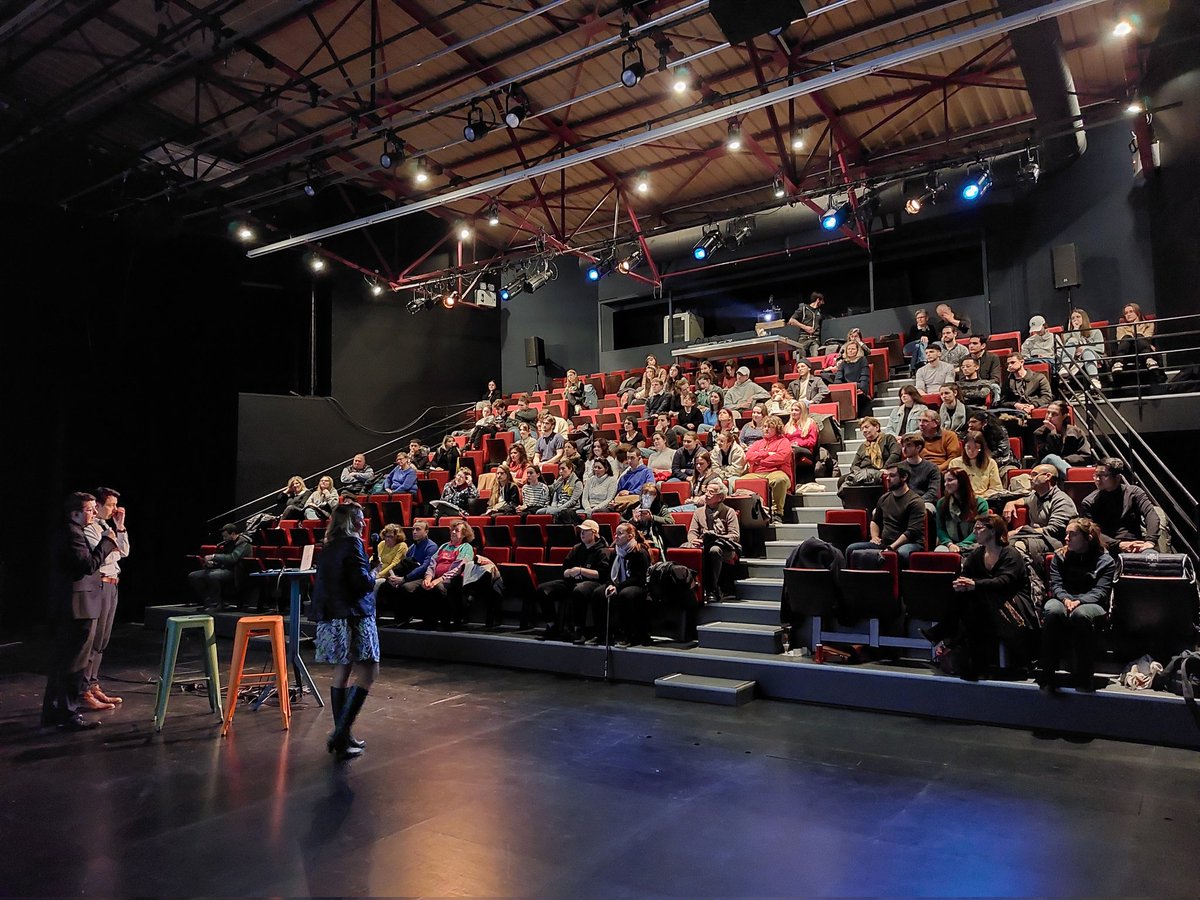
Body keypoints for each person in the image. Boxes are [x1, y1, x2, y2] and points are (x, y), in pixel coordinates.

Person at [41, 492, 119, 731]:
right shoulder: (73, 534)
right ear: (75, 513)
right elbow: (87, 565)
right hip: (78, 607)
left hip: (75, 605)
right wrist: (107, 542)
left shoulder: (69, 532)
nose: (94, 513)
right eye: (89, 509)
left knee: (64, 662)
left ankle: (54, 713)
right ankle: (67, 714)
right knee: (73, 664)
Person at [310, 502, 377, 760]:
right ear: (353, 522)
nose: (363, 522)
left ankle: (344, 736)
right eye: (360, 518)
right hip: (353, 616)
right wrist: (374, 572)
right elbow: (362, 583)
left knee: (342, 671)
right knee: (369, 671)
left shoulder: (328, 546)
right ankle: (340, 734)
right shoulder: (353, 544)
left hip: (333, 616)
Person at [935, 513, 1036, 680]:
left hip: (1012, 602)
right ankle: (962, 651)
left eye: (979, 528)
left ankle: (944, 635)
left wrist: (974, 584)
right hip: (986, 601)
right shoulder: (978, 553)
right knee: (963, 596)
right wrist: (962, 584)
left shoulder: (1011, 554)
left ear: (993, 531)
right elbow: (966, 575)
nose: (975, 532)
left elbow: (1004, 582)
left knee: (977, 600)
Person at [1038, 516, 1117, 692]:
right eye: (1067, 534)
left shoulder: (1105, 561)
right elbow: (1055, 585)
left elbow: (1100, 591)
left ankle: (1084, 675)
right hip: (1064, 599)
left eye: (1072, 535)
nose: (1067, 538)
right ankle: (1047, 673)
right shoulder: (1060, 556)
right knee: (1052, 610)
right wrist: (1066, 599)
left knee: (1081, 615)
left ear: (1087, 538)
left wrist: (1079, 601)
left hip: (1091, 602)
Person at [81, 487, 129, 710]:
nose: (114, 509)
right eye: (110, 505)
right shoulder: (90, 528)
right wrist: (112, 549)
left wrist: (120, 527)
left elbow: (124, 552)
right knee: (93, 639)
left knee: (102, 640)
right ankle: (83, 690)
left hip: (112, 584)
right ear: (98, 505)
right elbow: (102, 556)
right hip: (99, 584)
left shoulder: (108, 528)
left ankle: (93, 684)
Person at [534, 519, 609, 641]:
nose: (582, 533)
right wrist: (569, 572)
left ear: (594, 533)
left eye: (585, 531)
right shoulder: (577, 548)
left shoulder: (603, 551)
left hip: (593, 583)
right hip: (572, 581)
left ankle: (579, 629)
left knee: (579, 590)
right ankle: (552, 626)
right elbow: (565, 569)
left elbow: (601, 574)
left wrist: (581, 571)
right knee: (543, 589)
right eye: (581, 531)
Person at [845, 463, 926, 567]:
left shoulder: (915, 501)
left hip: (909, 543)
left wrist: (892, 547)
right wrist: (875, 537)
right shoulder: (884, 498)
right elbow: (875, 521)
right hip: (885, 543)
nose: (887, 479)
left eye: (892, 476)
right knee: (851, 549)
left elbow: (911, 532)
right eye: (887, 475)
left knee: (902, 554)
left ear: (904, 477)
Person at [401, 519, 475, 629]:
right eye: (452, 530)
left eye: (457, 530)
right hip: (434, 578)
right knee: (408, 587)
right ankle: (426, 620)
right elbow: (432, 563)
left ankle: (443, 621)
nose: (453, 532)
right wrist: (428, 578)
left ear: (464, 534)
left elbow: (457, 569)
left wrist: (437, 580)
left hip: (452, 580)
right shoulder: (444, 546)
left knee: (437, 587)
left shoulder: (466, 547)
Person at [1079, 457, 1161, 553]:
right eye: (1096, 475)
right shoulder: (1089, 502)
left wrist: (1150, 541)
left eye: (1103, 475)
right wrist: (1118, 544)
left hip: (1136, 545)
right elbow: (1091, 531)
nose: (1097, 479)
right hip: (1107, 547)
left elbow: (1150, 514)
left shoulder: (1134, 492)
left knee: (1151, 556)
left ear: (1118, 477)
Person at [1002, 464, 1078, 557]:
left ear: (1047, 476)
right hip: (1032, 537)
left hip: (1051, 540)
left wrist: (1021, 531)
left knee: (1018, 546)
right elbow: (1024, 500)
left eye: (1034, 475)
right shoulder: (1035, 496)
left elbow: (1054, 530)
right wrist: (1010, 503)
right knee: (1001, 544)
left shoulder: (1061, 500)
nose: (1030, 478)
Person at [684, 482, 741, 602]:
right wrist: (693, 540)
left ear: (720, 497)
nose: (706, 494)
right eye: (706, 491)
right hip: (703, 544)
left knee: (714, 550)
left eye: (711, 492)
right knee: (686, 548)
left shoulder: (729, 512)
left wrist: (716, 536)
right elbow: (692, 532)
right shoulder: (699, 512)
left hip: (723, 547)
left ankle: (712, 590)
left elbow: (735, 536)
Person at [607, 522, 654, 647]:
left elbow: (639, 578)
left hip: (639, 586)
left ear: (630, 536)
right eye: (615, 534)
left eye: (620, 534)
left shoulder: (640, 552)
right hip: (620, 584)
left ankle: (629, 635)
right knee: (599, 592)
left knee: (625, 594)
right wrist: (610, 585)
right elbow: (609, 573)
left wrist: (617, 587)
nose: (616, 536)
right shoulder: (615, 552)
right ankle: (604, 633)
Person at [187, 522, 252, 610]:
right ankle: (208, 601)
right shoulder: (228, 543)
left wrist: (214, 556)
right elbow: (224, 559)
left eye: (225, 536)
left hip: (236, 572)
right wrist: (212, 564)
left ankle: (217, 604)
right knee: (194, 576)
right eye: (223, 537)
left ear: (233, 534)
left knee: (212, 575)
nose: (224, 539)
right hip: (224, 569)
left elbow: (233, 558)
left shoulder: (244, 544)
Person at [744, 415, 793, 524]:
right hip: (757, 473)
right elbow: (748, 456)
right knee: (739, 482)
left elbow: (781, 457)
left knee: (780, 480)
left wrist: (760, 461)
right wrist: (766, 454)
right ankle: (748, 513)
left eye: (770, 427)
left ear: (777, 429)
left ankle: (777, 513)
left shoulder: (784, 442)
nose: (766, 429)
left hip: (777, 471)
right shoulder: (758, 443)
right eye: (765, 426)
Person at [1034, 400, 1094, 478]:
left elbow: (1086, 456)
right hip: (1046, 465)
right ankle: (1073, 478)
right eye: (1048, 413)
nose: (1049, 416)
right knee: (1051, 457)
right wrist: (1053, 434)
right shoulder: (1039, 433)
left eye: (1054, 414)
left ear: (1064, 416)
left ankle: (1071, 476)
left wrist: (1063, 460)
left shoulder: (1076, 432)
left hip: (1069, 464)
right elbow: (1046, 453)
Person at [935, 467, 989, 552]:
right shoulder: (942, 503)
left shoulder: (980, 503)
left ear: (961, 482)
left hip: (973, 543)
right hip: (949, 544)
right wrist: (949, 544)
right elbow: (940, 529)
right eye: (945, 481)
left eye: (950, 480)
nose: (946, 484)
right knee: (940, 551)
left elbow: (981, 530)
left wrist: (961, 545)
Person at [841, 416, 901, 487]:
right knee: (842, 480)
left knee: (856, 480)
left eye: (867, 427)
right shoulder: (863, 446)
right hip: (862, 473)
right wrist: (858, 473)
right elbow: (854, 465)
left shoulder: (888, 438)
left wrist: (885, 468)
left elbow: (895, 454)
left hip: (879, 471)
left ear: (877, 427)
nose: (864, 430)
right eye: (862, 429)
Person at [1058, 307, 1104, 390]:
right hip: (1074, 358)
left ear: (1084, 318)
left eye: (1078, 317)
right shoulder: (1067, 335)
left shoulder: (1096, 332)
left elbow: (1100, 349)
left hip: (1093, 356)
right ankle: (1064, 367)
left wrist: (1084, 347)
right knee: (1072, 340)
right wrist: (1075, 330)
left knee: (1086, 351)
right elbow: (1072, 344)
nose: (1075, 319)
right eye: (1073, 318)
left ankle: (1094, 379)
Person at [947, 431, 1002, 500]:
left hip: (984, 499)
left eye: (976, 448)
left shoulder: (990, 463)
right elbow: (950, 487)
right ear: (964, 447)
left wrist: (981, 497)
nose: (971, 451)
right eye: (968, 447)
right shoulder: (954, 463)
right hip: (962, 500)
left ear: (981, 448)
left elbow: (996, 488)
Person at [1111, 302, 1159, 372]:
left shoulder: (1148, 324)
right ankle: (1118, 362)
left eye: (1131, 311)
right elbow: (1120, 340)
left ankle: (1149, 359)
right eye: (1126, 313)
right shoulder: (1120, 327)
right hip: (1128, 351)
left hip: (1143, 349)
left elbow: (1147, 337)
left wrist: (1135, 325)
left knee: (1139, 337)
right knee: (1127, 337)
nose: (1128, 314)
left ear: (1138, 313)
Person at [782, 399, 819, 486]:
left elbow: (812, 441)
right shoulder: (788, 425)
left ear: (802, 412)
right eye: (792, 410)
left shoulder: (810, 423)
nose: (793, 412)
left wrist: (798, 443)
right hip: (791, 448)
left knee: (794, 451)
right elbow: (783, 439)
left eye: (796, 410)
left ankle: (791, 481)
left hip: (806, 450)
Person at [899, 433, 940, 510]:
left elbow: (933, 492)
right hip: (902, 501)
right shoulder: (899, 467)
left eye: (908, 446)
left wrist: (915, 502)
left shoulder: (932, 468)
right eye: (903, 446)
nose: (904, 449)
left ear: (918, 448)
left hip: (925, 501)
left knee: (924, 509)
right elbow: (894, 490)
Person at [833, 339, 872, 414]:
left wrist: (857, 388)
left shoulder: (862, 360)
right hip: (846, 390)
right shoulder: (843, 363)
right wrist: (841, 389)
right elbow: (838, 379)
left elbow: (864, 378)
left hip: (859, 389)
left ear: (857, 350)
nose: (850, 351)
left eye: (853, 349)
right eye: (849, 349)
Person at [543, 457, 584, 523]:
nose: (560, 472)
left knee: (552, 512)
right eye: (559, 469)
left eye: (563, 468)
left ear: (570, 469)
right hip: (558, 505)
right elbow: (555, 496)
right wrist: (554, 506)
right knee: (539, 512)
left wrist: (559, 508)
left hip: (570, 508)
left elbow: (573, 501)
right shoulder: (560, 481)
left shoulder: (577, 482)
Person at [787, 290, 825, 358]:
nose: (823, 303)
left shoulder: (819, 312)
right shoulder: (804, 308)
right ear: (818, 300)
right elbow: (791, 321)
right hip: (804, 338)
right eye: (822, 301)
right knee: (802, 358)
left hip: (815, 339)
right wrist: (805, 327)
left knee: (816, 357)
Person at [904, 308, 937, 374]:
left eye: (921, 317)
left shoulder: (931, 327)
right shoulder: (913, 328)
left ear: (926, 318)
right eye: (918, 318)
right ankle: (924, 361)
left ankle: (914, 368)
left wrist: (925, 334)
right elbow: (911, 340)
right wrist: (921, 336)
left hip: (919, 348)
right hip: (908, 348)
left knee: (918, 346)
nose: (919, 319)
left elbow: (934, 339)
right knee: (920, 343)